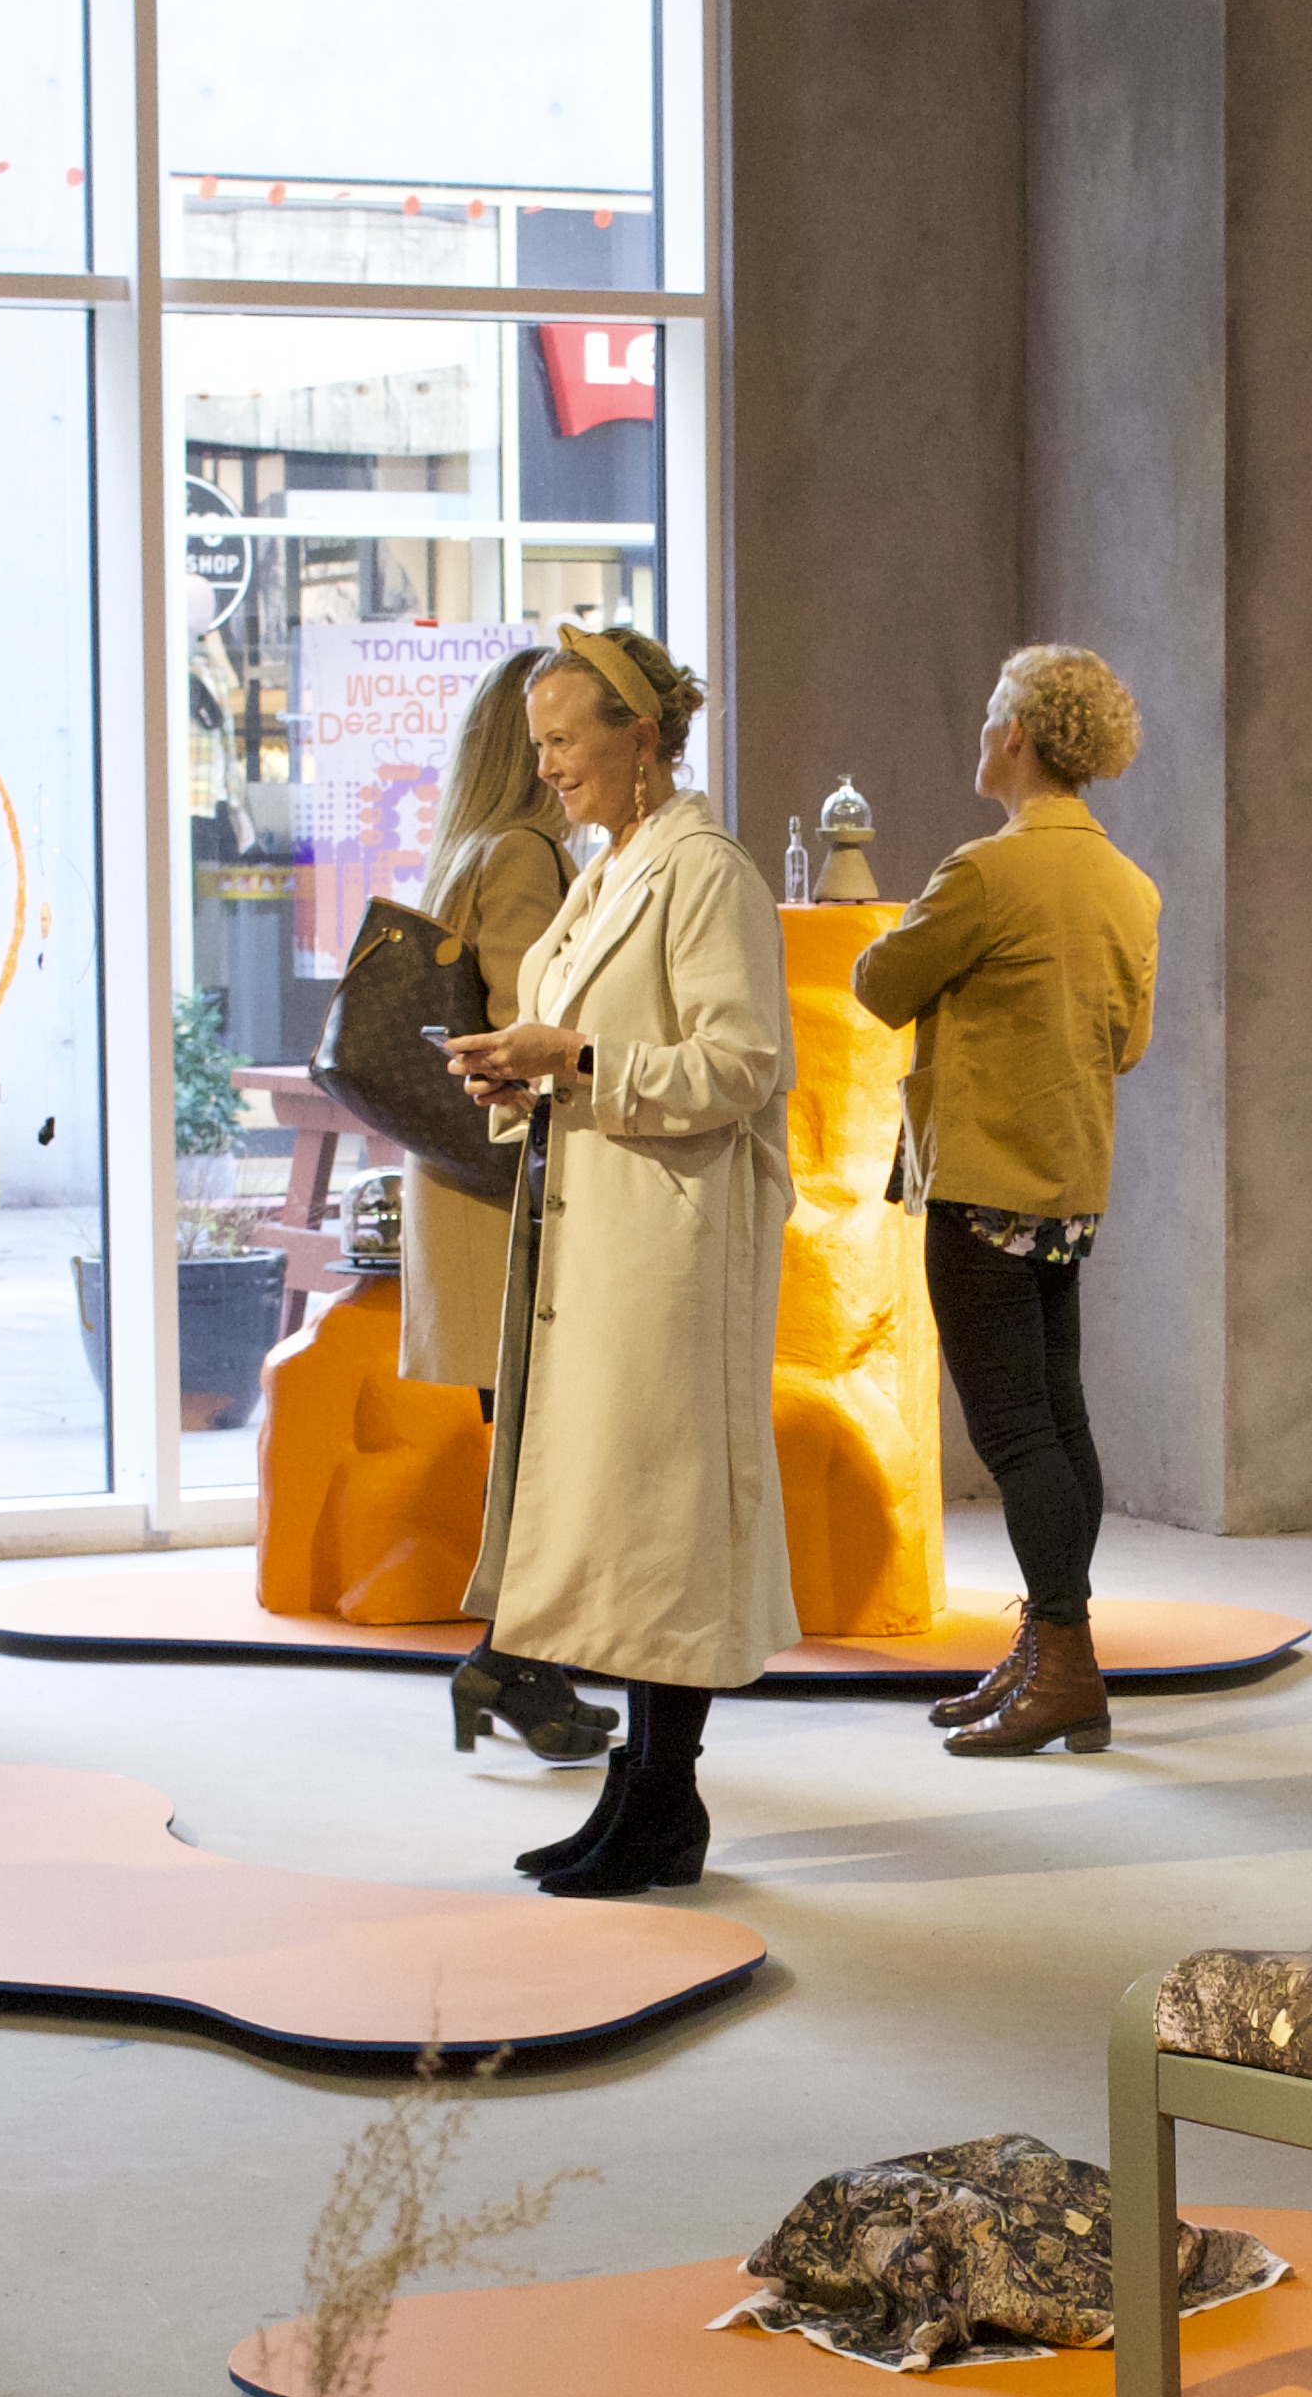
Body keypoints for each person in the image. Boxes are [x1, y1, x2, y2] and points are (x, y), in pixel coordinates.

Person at [443, 620, 793, 1899]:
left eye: (562, 741)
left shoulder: (706, 872)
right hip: (597, 1227)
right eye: (535, 744)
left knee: (664, 1521)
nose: (546, 767)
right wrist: (520, 1072)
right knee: (615, 1513)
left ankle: (665, 1798)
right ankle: (638, 1790)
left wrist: (578, 1061)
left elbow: (744, 1062)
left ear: (638, 737)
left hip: (670, 1239)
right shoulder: (608, 873)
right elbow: (575, 1040)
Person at [851, 643, 1161, 1760]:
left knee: (1015, 1432)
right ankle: (1053, 1650)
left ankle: (1065, 1663)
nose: (982, 735)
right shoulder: (1129, 885)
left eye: (991, 717)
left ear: (1017, 735)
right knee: (1060, 1420)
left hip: (981, 1182)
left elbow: (880, 985)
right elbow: (1129, 1043)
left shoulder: (985, 872)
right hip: (1070, 1186)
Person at [396, 647, 602, 1763]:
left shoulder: (469, 849)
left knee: (525, 1444)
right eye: (555, 736)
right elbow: (535, 1024)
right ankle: (512, 1662)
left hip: (459, 1188)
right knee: (539, 1448)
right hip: (501, 1194)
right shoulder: (523, 855)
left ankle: (518, 1663)